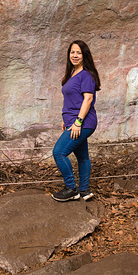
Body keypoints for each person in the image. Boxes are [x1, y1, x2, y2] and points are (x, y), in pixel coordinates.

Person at [52, 40, 101, 202]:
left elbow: (88, 99)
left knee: (59, 152)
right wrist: (65, 119)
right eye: (72, 52)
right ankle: (85, 191)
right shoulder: (72, 73)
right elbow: (72, 100)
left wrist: (78, 122)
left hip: (83, 122)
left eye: (78, 52)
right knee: (83, 157)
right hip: (72, 121)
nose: (75, 55)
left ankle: (71, 189)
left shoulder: (86, 74)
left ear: (84, 55)